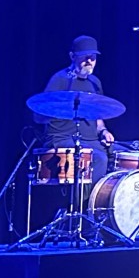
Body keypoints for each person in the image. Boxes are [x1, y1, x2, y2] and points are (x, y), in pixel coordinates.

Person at [37, 35, 116, 184]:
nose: (89, 61)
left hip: (92, 140)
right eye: (85, 57)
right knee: (99, 158)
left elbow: (97, 115)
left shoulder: (95, 83)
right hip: (62, 138)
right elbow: (42, 111)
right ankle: (91, 199)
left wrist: (104, 131)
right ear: (72, 56)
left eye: (93, 57)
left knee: (124, 155)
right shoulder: (60, 79)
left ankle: (111, 197)